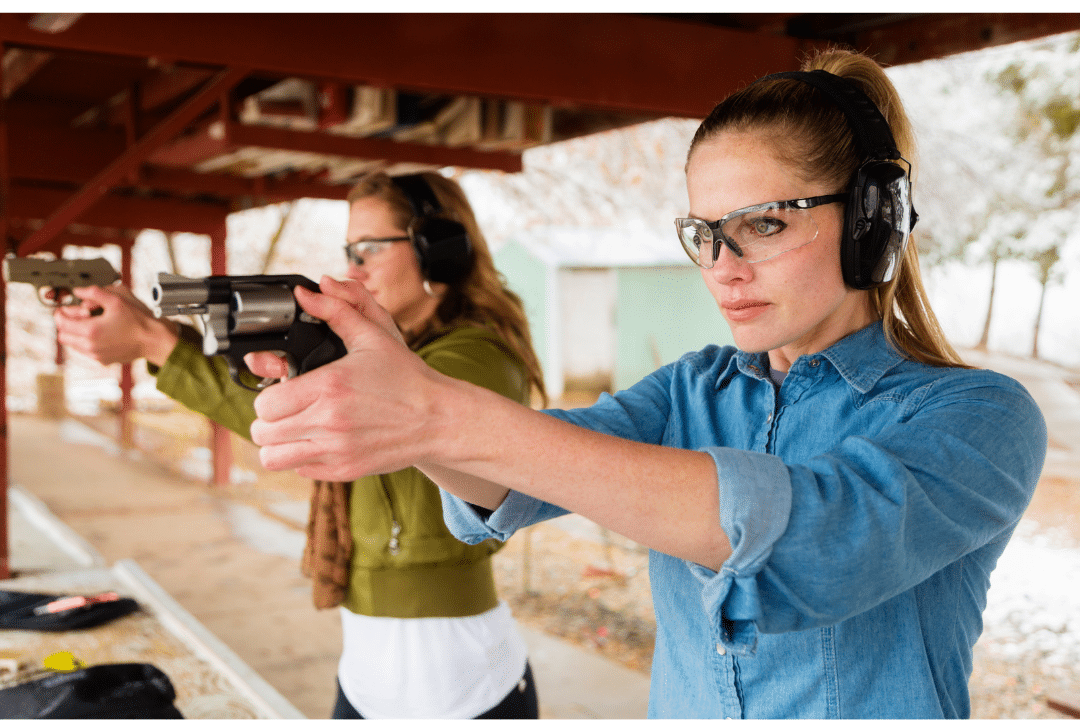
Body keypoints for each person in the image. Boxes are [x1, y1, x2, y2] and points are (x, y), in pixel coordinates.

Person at [242, 47, 1049, 719]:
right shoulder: (690, 390)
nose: (723, 269)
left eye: (764, 223)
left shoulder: (979, 418)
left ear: (875, 221)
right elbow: (507, 483)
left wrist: (437, 411)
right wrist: (409, 404)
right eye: (706, 234)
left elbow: (804, 548)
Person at [54, 171, 545, 719]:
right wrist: (155, 333)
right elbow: (294, 410)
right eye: (348, 249)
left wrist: (156, 342)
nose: (352, 267)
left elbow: (355, 417)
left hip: (464, 684)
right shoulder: (387, 352)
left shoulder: (479, 354)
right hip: (364, 677)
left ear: (440, 250)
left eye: (370, 248)